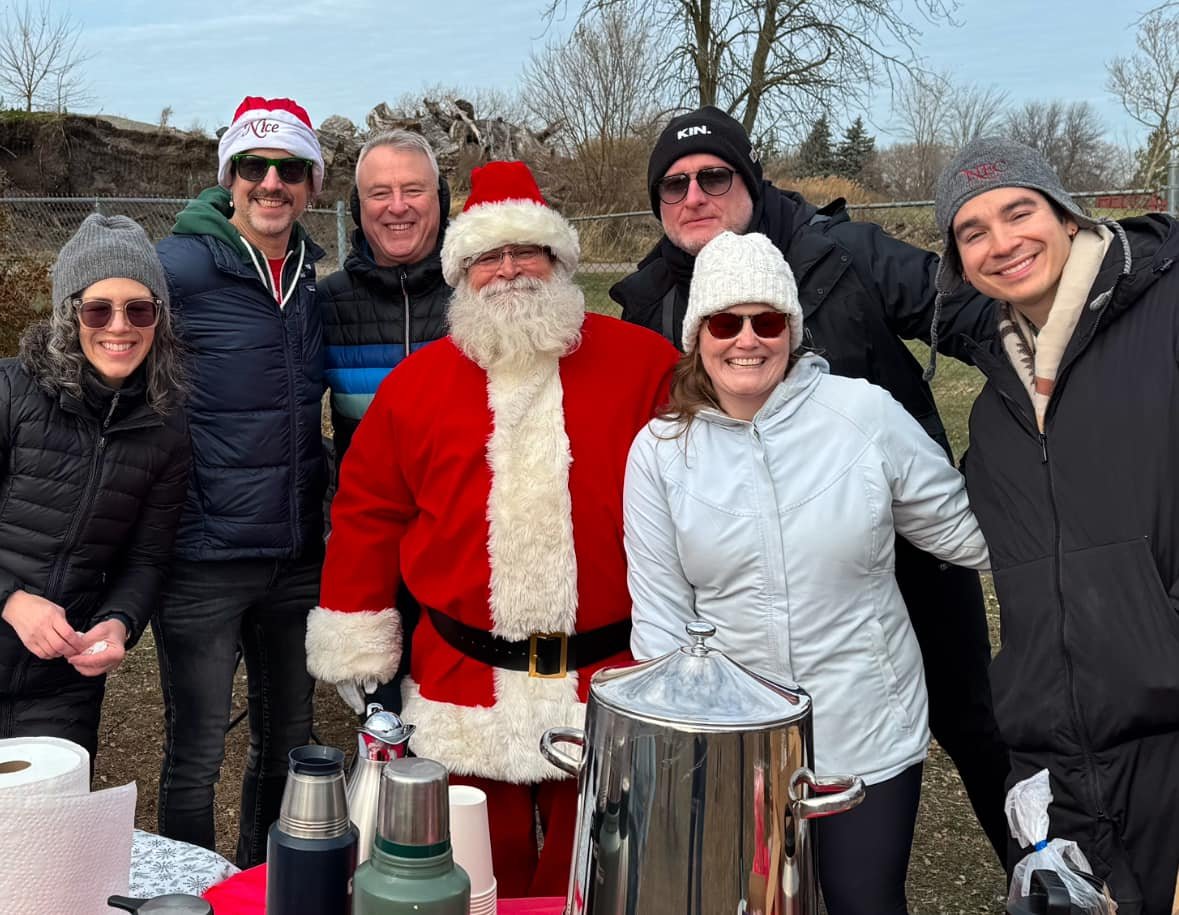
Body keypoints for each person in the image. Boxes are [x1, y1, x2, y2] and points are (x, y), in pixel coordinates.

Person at [612, 105, 1010, 860]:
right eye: (673, 185)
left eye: (713, 176)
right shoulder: (651, 303)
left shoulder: (841, 252)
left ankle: (1039, 872)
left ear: (749, 179)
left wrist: (1038, 390)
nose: (693, 195)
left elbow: (968, 314)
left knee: (973, 723)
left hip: (900, 545)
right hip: (754, 579)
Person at [305, 160, 679, 897]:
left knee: (601, 883)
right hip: (462, 685)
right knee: (474, 884)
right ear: (462, 271)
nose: (507, 271)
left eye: (525, 252)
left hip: (610, 683)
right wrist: (357, 641)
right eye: (486, 257)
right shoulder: (415, 385)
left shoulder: (645, 365)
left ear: (559, 260)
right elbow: (367, 510)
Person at [933, 137, 1179, 915]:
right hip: (1058, 781)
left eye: (1018, 211)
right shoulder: (999, 411)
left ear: (1065, 216)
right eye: (972, 231)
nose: (1001, 242)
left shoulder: (1164, 321)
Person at [153, 96, 328, 868]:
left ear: (310, 184)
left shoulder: (312, 276)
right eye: (253, 166)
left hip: (293, 554)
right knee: (195, 752)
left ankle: (264, 881)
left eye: (288, 168)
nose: (270, 182)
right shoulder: (178, 266)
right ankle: (188, 891)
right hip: (204, 556)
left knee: (288, 740)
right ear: (229, 177)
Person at [0, 214, 189, 765]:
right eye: (97, 308)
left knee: (50, 838)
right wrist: (12, 601)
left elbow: (149, 558)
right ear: (69, 316)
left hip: (62, 681)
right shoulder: (11, 392)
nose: (119, 326)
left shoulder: (166, 425)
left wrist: (120, 622)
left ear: (159, 320)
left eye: (140, 309)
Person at [317, 128, 453, 714]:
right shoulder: (326, 305)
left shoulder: (478, 292)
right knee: (386, 738)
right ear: (356, 209)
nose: (397, 206)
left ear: (440, 200)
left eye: (413, 190)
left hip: (461, 551)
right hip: (374, 551)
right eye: (379, 193)